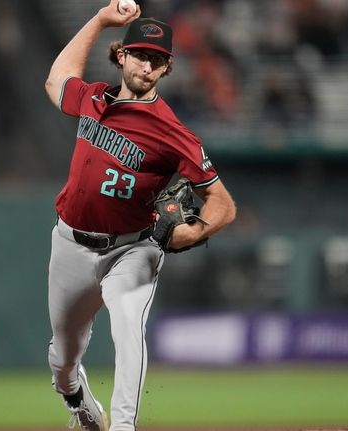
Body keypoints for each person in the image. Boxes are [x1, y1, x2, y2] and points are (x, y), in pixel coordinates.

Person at [42, 1, 237, 430]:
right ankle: (76, 398)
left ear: (166, 69)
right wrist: (98, 19)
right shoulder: (92, 98)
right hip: (71, 243)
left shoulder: (172, 131)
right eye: (141, 54)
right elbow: (57, 80)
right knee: (62, 357)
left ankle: (125, 426)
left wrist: (186, 234)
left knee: (128, 327)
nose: (148, 65)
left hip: (133, 247)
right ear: (122, 55)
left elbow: (223, 204)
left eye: (158, 60)